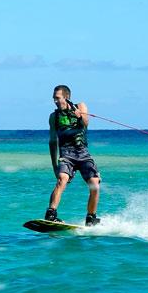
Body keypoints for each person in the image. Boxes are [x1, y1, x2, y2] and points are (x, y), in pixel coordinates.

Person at [44, 85, 101, 226]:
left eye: (57, 98)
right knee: (61, 179)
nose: (55, 102)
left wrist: (80, 116)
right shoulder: (54, 117)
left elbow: (86, 124)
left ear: (66, 97)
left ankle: (91, 218)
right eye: (54, 99)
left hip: (83, 153)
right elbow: (52, 141)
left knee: (95, 184)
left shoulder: (81, 106)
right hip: (66, 154)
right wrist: (54, 166)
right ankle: (51, 214)